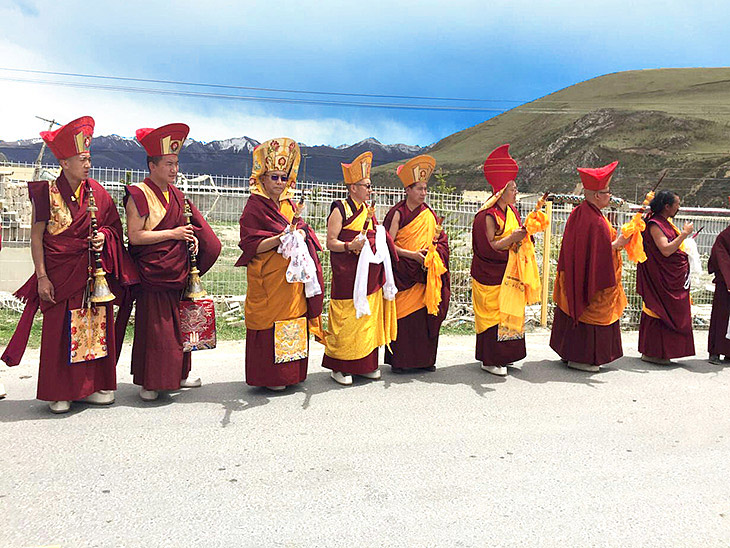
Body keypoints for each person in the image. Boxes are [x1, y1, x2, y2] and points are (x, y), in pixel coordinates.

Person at [1, 116, 137, 413]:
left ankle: (92, 387)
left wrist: (104, 237)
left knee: (92, 329)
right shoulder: (46, 193)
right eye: (82, 159)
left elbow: (115, 229)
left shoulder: (97, 192)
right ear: (64, 163)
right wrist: (41, 277)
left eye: (89, 158)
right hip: (60, 277)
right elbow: (37, 239)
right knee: (60, 332)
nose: (88, 164)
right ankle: (59, 391)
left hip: (92, 277)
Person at [124, 123, 221, 402]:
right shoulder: (138, 194)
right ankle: (150, 383)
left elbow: (189, 229)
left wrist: (193, 241)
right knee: (157, 331)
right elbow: (135, 236)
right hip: (153, 273)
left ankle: (180, 374)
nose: (174, 170)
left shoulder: (177, 196)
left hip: (177, 269)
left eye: (176, 164)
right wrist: (174, 233)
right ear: (152, 165)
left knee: (180, 327)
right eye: (168, 164)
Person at [235, 138, 324, 391]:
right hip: (269, 279)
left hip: (292, 279)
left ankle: (291, 374)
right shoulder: (254, 206)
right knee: (271, 321)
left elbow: (302, 230)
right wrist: (280, 238)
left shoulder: (289, 205)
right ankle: (271, 377)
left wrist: (302, 235)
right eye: (274, 177)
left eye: (284, 178)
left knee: (294, 317)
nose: (279, 183)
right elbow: (251, 244)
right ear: (262, 178)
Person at [322, 152, 398, 385]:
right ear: (352, 187)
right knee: (347, 317)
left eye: (370, 185)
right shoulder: (340, 208)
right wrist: (349, 245)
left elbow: (375, 236)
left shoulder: (368, 211)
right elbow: (330, 242)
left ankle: (365, 365)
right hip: (348, 274)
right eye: (366, 185)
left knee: (367, 318)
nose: (370, 190)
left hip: (369, 275)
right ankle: (340, 366)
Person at [550, 161, 628, 372]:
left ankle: (570, 352)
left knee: (572, 304)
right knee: (594, 308)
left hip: (574, 274)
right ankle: (582, 358)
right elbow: (598, 254)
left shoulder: (579, 212)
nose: (610, 196)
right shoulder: (596, 222)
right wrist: (618, 244)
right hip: (591, 279)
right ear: (596, 196)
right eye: (607, 192)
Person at [383, 155, 450, 372]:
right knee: (405, 318)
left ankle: (425, 361)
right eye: (419, 188)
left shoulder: (429, 215)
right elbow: (387, 245)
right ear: (408, 190)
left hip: (424, 274)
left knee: (423, 318)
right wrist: (412, 255)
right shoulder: (398, 213)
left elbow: (440, 241)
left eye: (425, 188)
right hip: (403, 272)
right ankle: (401, 362)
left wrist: (434, 254)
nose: (423, 193)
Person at [471, 145, 528, 376]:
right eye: (513, 189)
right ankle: (490, 359)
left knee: (510, 313)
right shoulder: (487, 215)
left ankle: (507, 355)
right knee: (494, 314)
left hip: (511, 271)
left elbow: (517, 236)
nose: (516, 193)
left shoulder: (512, 212)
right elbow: (488, 247)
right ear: (502, 191)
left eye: (515, 188)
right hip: (490, 273)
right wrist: (512, 239)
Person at [636, 190, 695, 364]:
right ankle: (653, 352)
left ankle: (665, 352)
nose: (679, 207)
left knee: (674, 311)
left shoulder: (666, 222)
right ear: (667, 206)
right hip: (660, 279)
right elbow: (666, 250)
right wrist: (684, 234)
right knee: (659, 310)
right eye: (677, 204)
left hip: (671, 276)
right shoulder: (655, 224)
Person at [708, 215, 730, 364]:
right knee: (721, 317)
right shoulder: (725, 236)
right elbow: (720, 257)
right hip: (725, 283)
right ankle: (715, 351)